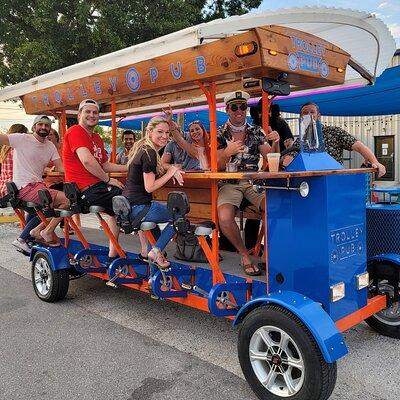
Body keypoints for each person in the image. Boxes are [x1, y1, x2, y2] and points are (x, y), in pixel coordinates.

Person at [217, 90, 279, 276]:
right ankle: (244, 254)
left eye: (242, 106)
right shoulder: (220, 132)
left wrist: (276, 142)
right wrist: (227, 152)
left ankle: (267, 254)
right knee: (225, 218)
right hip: (230, 182)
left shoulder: (256, 131)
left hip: (253, 181)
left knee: (274, 208)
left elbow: (270, 156)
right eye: (234, 107)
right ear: (227, 110)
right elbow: (216, 166)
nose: (239, 110)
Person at [62, 99, 127, 259]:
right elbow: (87, 160)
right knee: (132, 198)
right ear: (79, 115)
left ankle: (113, 252)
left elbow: (104, 164)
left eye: (95, 113)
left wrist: (129, 167)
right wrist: (107, 180)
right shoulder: (75, 131)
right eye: (87, 112)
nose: (92, 115)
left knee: (119, 206)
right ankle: (149, 250)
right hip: (86, 191)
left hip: (96, 189)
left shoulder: (96, 137)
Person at [123, 116, 184, 268]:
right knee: (179, 215)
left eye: (167, 132)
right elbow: (149, 187)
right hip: (139, 208)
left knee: (155, 234)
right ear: (149, 132)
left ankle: (154, 269)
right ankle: (156, 252)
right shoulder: (149, 153)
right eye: (160, 132)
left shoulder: (143, 149)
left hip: (130, 208)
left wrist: (170, 167)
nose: (165, 136)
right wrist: (171, 172)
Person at [0, 116, 69, 247]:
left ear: (50, 129)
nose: (43, 127)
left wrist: (82, 170)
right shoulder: (22, 138)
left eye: (47, 125)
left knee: (64, 204)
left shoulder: (50, 146)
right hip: (23, 187)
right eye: (40, 124)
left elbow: (61, 167)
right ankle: (42, 233)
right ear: (34, 127)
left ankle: (34, 233)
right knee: (66, 200)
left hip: (38, 186)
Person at [282, 102, 386, 177]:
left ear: (318, 116)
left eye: (312, 112)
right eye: (305, 113)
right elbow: (288, 161)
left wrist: (375, 162)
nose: (309, 115)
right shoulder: (300, 140)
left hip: (335, 179)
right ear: (301, 117)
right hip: (310, 183)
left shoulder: (334, 131)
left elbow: (359, 146)